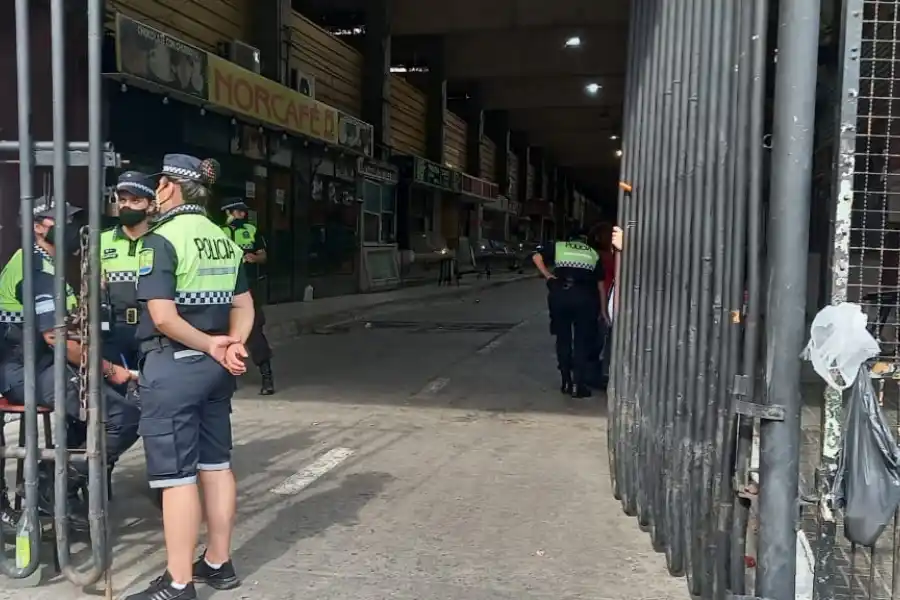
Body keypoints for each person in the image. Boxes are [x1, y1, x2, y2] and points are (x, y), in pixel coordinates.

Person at [127, 155, 254, 600]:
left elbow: (162, 317)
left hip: (175, 365)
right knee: (216, 465)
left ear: (168, 187)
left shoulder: (160, 240)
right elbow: (244, 306)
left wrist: (208, 344)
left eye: (158, 185)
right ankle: (218, 563)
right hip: (217, 371)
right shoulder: (223, 238)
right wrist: (231, 344)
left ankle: (179, 582)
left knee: (176, 477)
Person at [0, 198, 140, 529]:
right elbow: (59, 338)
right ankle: (52, 489)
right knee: (122, 417)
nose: (71, 230)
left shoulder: (51, 265)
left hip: (46, 364)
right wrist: (109, 370)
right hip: (26, 369)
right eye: (60, 222)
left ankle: (58, 484)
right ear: (37, 227)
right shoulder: (34, 269)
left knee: (104, 408)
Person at [532, 227, 609, 398]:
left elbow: (536, 256)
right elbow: (600, 286)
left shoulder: (559, 247)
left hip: (561, 295)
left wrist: (548, 275)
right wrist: (603, 311)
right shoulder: (593, 253)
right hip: (585, 298)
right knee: (582, 341)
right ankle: (577, 385)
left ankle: (565, 381)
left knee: (563, 338)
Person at [100, 171, 155, 381]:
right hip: (114, 329)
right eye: (122, 200)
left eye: (135, 200)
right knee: (115, 394)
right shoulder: (102, 241)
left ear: (150, 205)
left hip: (153, 328)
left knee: (153, 389)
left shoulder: (162, 241)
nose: (127, 205)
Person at [221, 199, 275, 395]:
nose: (241, 215)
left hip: (249, 286)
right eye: (237, 212)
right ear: (228, 212)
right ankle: (224, 379)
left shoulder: (251, 230)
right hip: (223, 287)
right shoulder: (218, 232)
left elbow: (263, 255)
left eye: (244, 212)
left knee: (253, 329)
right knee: (220, 329)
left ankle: (267, 377)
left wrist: (254, 258)